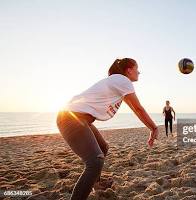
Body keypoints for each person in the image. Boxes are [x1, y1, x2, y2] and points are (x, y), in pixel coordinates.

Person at [56, 58, 159, 200]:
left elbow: (135, 109)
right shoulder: (123, 80)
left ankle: (95, 184)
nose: (139, 72)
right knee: (95, 161)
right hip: (71, 118)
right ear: (129, 70)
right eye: (137, 69)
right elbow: (138, 108)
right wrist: (153, 128)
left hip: (76, 118)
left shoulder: (118, 82)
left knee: (103, 147)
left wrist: (151, 127)